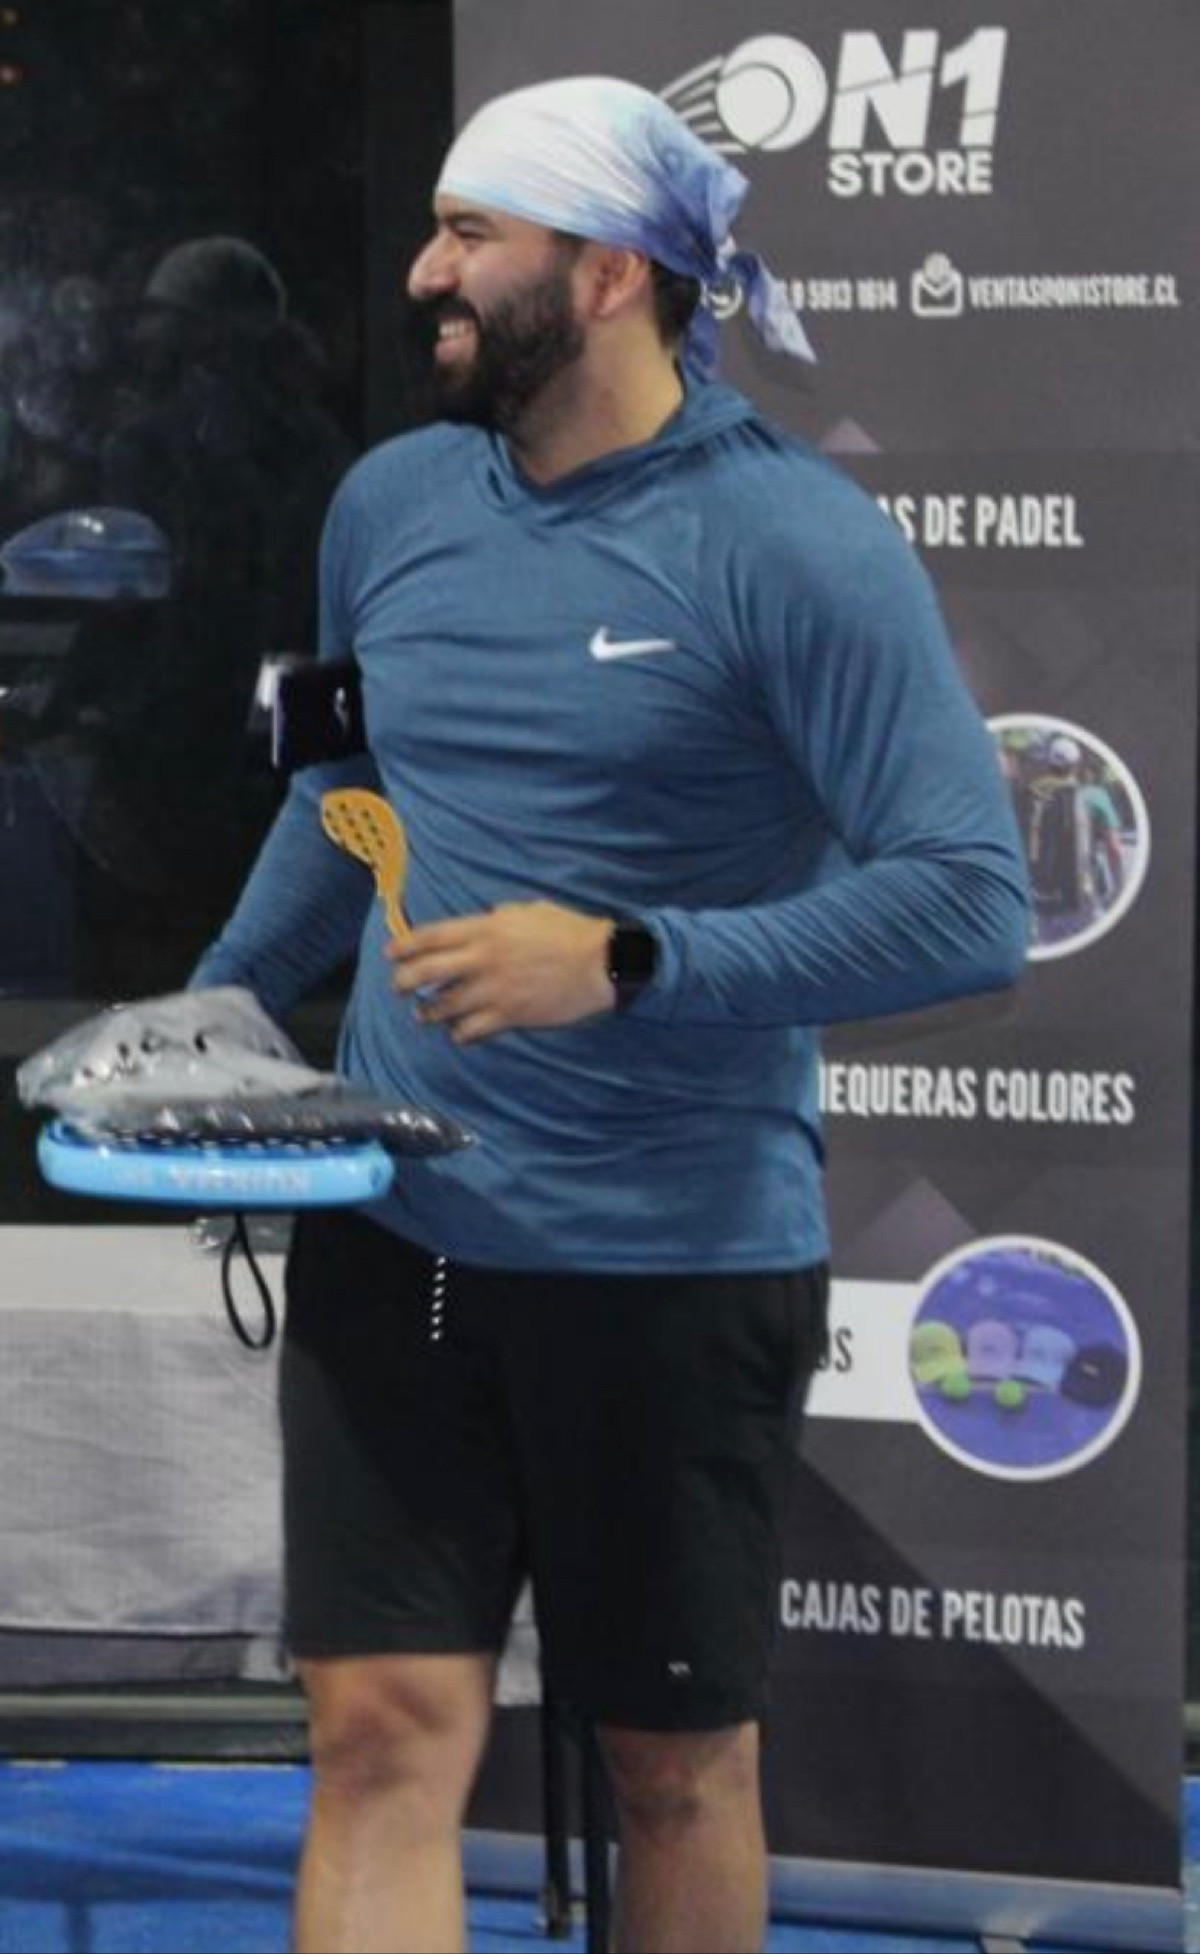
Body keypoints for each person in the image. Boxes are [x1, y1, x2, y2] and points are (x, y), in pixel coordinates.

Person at [190, 75, 1029, 1954]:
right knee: (378, 1738)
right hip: (401, 1247)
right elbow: (352, 789)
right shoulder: (391, 500)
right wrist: (225, 995)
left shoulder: (792, 539)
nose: (426, 273)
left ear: (611, 272)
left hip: (668, 1265)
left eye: (470, 234)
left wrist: (632, 957)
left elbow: (974, 898)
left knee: (672, 1768)